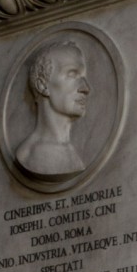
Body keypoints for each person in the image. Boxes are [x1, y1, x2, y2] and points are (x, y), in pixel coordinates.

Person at [15, 40, 90, 181]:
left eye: (83, 77)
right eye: (72, 74)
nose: (85, 88)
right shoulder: (31, 155)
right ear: (43, 85)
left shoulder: (76, 152)